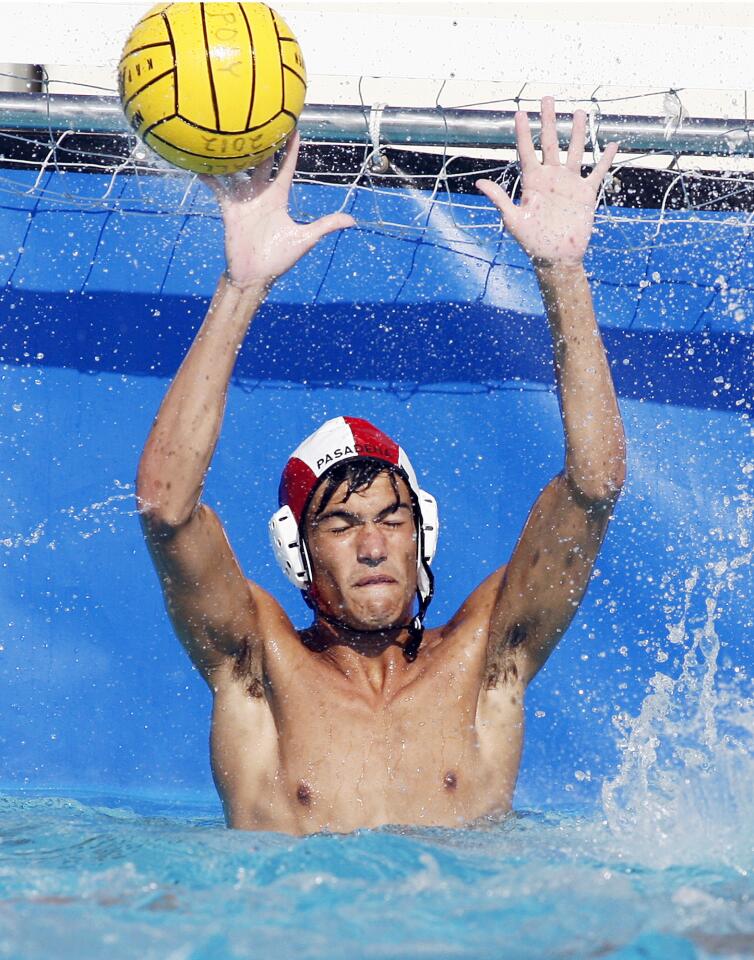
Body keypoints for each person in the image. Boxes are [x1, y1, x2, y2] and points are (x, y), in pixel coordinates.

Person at [136, 96, 625, 835]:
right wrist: (242, 289)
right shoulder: (258, 668)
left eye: (390, 518)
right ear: (298, 554)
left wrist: (562, 274)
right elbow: (166, 511)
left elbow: (594, 489)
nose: (372, 544)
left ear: (420, 532)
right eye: (341, 522)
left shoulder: (486, 659)